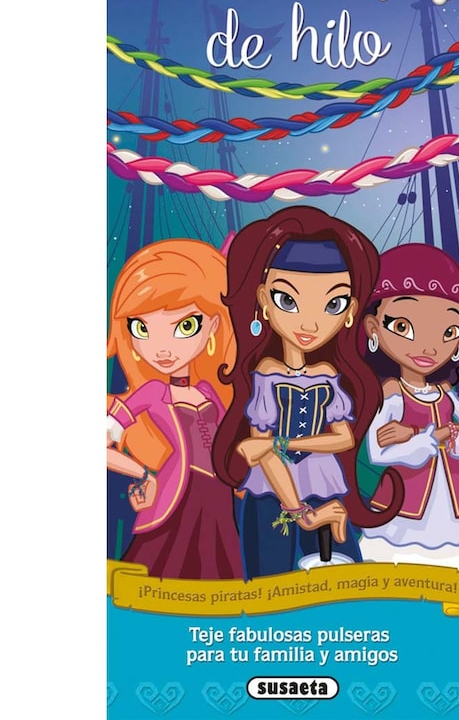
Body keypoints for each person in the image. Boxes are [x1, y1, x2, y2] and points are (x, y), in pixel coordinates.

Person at [212, 206, 402, 578]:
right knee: (269, 586)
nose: (310, 324)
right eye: (288, 301)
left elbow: (343, 438)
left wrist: (283, 443)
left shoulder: (328, 377)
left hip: (323, 485)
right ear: (263, 300)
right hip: (272, 493)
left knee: (342, 583)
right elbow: (264, 454)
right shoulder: (265, 377)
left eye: (333, 304)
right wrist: (299, 511)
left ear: (350, 311)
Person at [106, 239, 243, 579]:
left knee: (219, 574)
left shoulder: (210, 391)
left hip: (219, 500)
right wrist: (142, 474)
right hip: (174, 499)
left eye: (185, 326)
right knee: (160, 569)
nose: (162, 349)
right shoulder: (152, 393)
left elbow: (230, 446)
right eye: (142, 328)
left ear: (213, 325)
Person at [359, 244, 459, 569]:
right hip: (403, 503)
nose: (429, 347)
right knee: (396, 563)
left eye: (448, 332)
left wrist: (431, 435)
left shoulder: (445, 393)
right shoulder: (392, 395)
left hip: (451, 497)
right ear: (373, 329)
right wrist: (428, 438)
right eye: (404, 327)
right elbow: (377, 452)